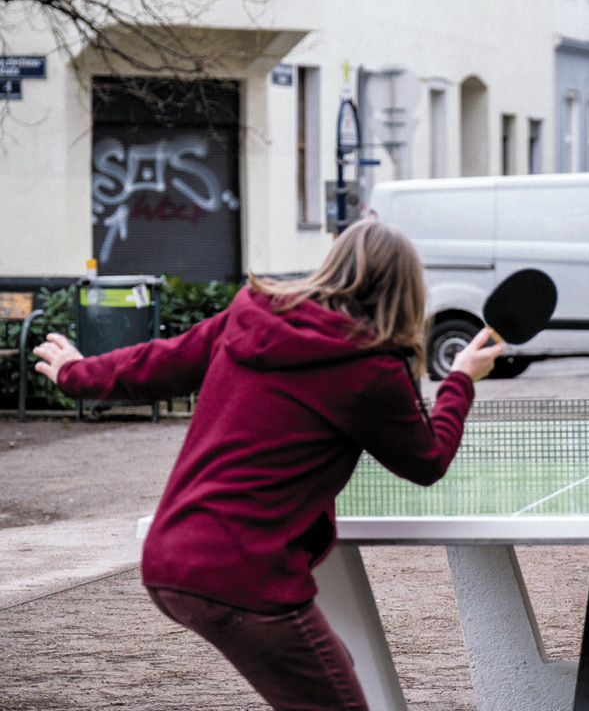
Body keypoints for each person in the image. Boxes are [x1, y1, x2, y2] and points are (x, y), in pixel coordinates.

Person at [33, 219, 504, 711]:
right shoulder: (370, 368)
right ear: (404, 293)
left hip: (170, 559)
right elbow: (428, 460)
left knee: (333, 667)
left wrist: (75, 373)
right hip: (243, 576)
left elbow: (158, 364)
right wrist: (461, 380)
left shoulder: (250, 313)